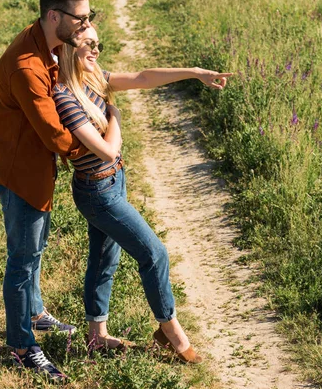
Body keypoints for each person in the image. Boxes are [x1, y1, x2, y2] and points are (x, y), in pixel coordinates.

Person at [52, 25, 233, 364]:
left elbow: (142, 76)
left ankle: (97, 336)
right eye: (89, 44)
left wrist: (195, 74)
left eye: (98, 44)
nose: (96, 50)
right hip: (98, 192)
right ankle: (171, 332)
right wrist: (114, 114)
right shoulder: (64, 95)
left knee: (105, 257)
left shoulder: (91, 78)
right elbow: (107, 150)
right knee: (155, 254)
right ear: (68, 48)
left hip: (111, 183)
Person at [0, 0, 97, 381]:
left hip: (31, 165)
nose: (86, 27)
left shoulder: (44, 42)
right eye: (81, 20)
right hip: (21, 173)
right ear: (55, 16)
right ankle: (21, 344)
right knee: (23, 258)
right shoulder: (27, 67)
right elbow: (55, 135)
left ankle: (35, 313)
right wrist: (102, 156)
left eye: (89, 17)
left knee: (35, 246)